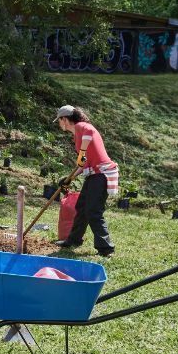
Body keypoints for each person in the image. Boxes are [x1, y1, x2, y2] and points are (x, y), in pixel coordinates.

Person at [53, 105, 118, 257]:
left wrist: (82, 152)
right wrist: (69, 179)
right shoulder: (77, 135)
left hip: (102, 174)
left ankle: (106, 249)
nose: (59, 124)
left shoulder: (81, 127)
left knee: (93, 211)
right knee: (81, 207)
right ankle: (74, 240)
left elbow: (90, 131)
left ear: (65, 119)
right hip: (93, 174)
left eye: (59, 120)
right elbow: (83, 163)